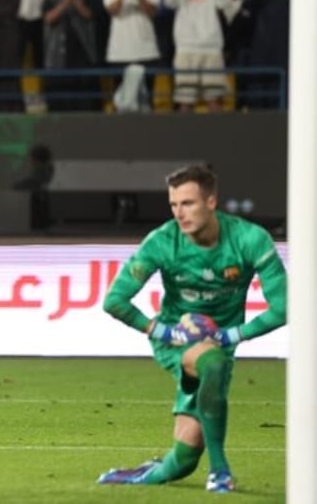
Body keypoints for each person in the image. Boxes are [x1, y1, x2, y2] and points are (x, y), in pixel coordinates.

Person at [97, 164, 287, 493]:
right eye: (174, 205)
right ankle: (221, 472)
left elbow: (285, 307)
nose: (179, 214)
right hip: (175, 340)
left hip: (220, 342)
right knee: (211, 361)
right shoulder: (162, 242)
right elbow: (114, 301)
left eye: (188, 204)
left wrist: (231, 335)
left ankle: (144, 474)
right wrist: (164, 332)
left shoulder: (249, 240)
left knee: (185, 458)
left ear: (211, 202)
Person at [12, 143, 53, 230]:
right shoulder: (47, 169)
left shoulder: (42, 170)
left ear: (35, 159)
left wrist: (19, 186)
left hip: (39, 206)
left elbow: (35, 182)